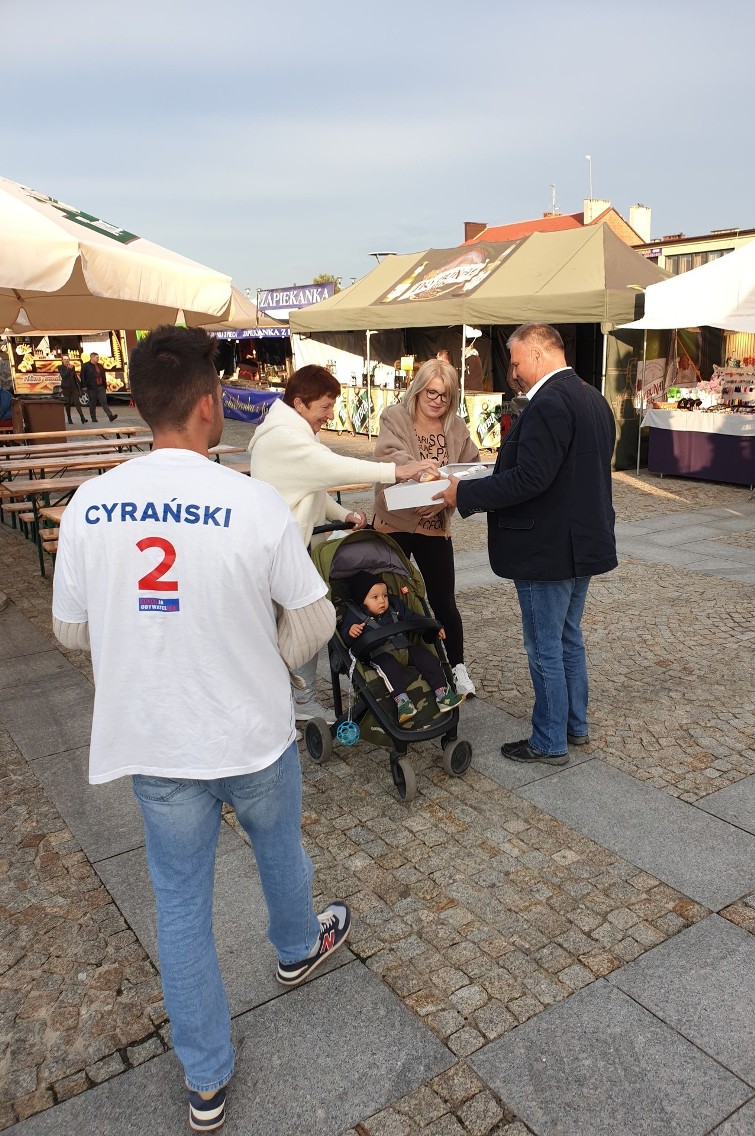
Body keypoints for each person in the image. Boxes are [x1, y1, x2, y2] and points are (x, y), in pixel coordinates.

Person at [52, 326, 349, 1133]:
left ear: (143, 402)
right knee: (279, 848)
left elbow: (72, 632)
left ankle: (206, 1079)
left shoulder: (89, 503)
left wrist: (142, 638)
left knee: (180, 904)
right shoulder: (249, 500)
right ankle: (296, 948)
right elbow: (316, 615)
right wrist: (264, 655)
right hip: (252, 732)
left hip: (157, 741)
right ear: (212, 405)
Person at [437, 323, 617, 763]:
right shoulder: (592, 397)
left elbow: (532, 479)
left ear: (538, 354)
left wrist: (465, 494)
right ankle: (575, 725)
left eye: (516, 362)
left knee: (546, 647)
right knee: (568, 638)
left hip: (548, 549)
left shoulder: (550, 402)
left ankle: (549, 740)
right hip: (579, 544)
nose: (513, 372)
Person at [248, 364, 437, 723]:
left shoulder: (294, 431)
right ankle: (296, 705)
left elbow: (309, 485)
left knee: (301, 627)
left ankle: (292, 700)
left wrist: (343, 512)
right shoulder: (284, 438)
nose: (330, 414)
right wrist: (397, 471)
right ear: (300, 403)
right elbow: (333, 468)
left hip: (297, 548)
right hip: (284, 553)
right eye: (324, 406)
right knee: (302, 629)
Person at [372, 357, 480, 698]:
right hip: (395, 522)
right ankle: (391, 665)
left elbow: (470, 467)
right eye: (431, 392)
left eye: (444, 395)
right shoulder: (395, 416)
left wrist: (440, 498)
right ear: (418, 389)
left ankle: (457, 667)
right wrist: (422, 475)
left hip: (434, 524)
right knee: (389, 596)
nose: (436, 400)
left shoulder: (456, 426)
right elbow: (389, 455)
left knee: (444, 600)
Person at [340, 570, 464, 722]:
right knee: (390, 668)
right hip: (379, 654)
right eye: (375, 597)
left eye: (384, 595)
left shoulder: (394, 605)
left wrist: (433, 626)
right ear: (361, 600)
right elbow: (345, 637)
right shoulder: (354, 614)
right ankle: (403, 702)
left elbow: (413, 618)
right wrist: (350, 632)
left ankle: (442, 693)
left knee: (427, 658)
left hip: (404, 647)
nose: (382, 601)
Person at [80, 351, 118, 422]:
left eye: (98, 357)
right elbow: (83, 376)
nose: (98, 359)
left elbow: (103, 375)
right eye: (97, 357)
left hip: (100, 387)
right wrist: (84, 386)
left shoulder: (100, 365)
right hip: (91, 387)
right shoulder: (86, 365)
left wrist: (105, 385)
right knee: (92, 402)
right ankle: (93, 417)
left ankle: (110, 416)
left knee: (104, 401)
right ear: (92, 358)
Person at [57, 353, 87, 425]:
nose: (66, 361)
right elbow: (63, 376)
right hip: (66, 387)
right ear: (62, 360)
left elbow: (75, 377)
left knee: (77, 402)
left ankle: (82, 418)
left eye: (67, 359)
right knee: (68, 403)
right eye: (65, 359)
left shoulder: (72, 366)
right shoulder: (60, 367)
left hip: (74, 387)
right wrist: (68, 369)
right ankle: (69, 418)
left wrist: (81, 385)